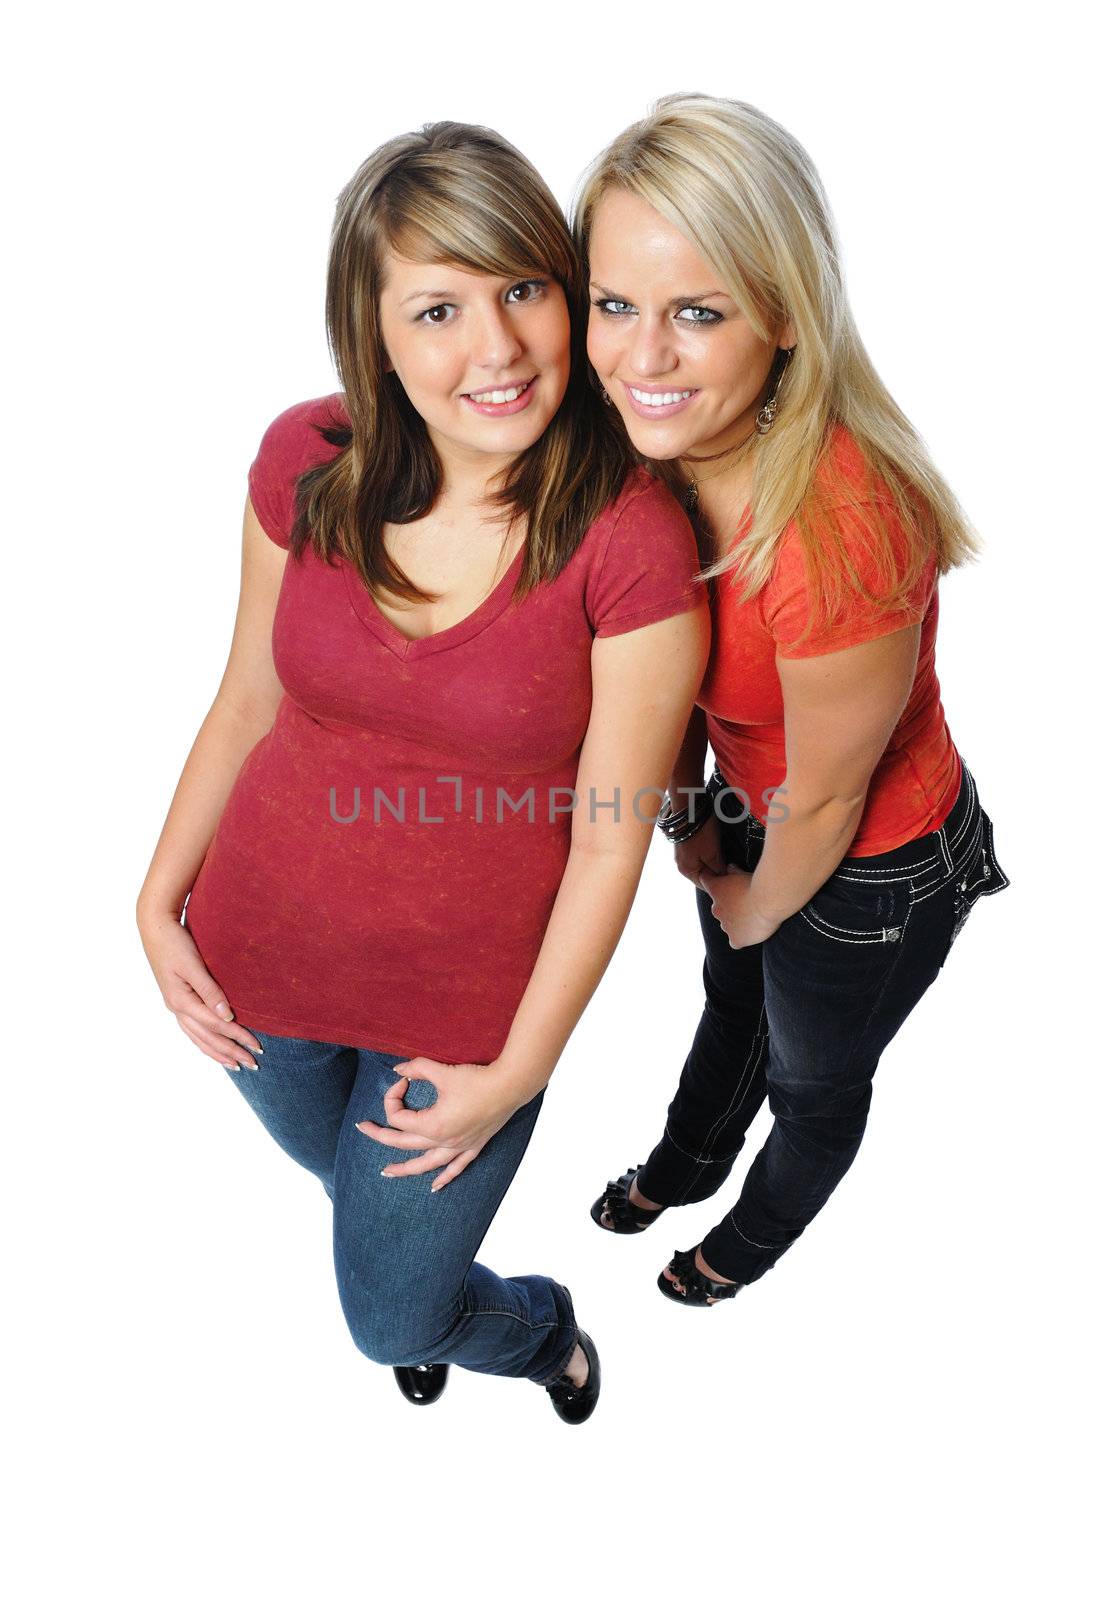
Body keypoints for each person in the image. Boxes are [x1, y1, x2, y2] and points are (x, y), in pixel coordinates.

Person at [135, 120, 708, 1416]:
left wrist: (514, 1072)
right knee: (353, 1190)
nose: (496, 346)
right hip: (255, 968)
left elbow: (613, 832)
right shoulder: (305, 460)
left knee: (387, 1311)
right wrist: (154, 899)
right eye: (439, 307)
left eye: (522, 288)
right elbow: (243, 704)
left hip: (465, 1020)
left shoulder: (628, 542)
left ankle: (534, 1333)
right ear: (374, 331)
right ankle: (416, 1269)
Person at [572, 93, 1011, 1305]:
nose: (641, 358)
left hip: (872, 859)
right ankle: (682, 1163)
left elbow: (825, 800)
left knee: (812, 1082)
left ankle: (730, 1255)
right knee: (729, 1007)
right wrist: (694, 828)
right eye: (615, 305)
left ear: (779, 316)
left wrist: (749, 905)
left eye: (696, 314)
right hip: (761, 808)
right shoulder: (644, 455)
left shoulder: (835, 525)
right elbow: (660, 683)